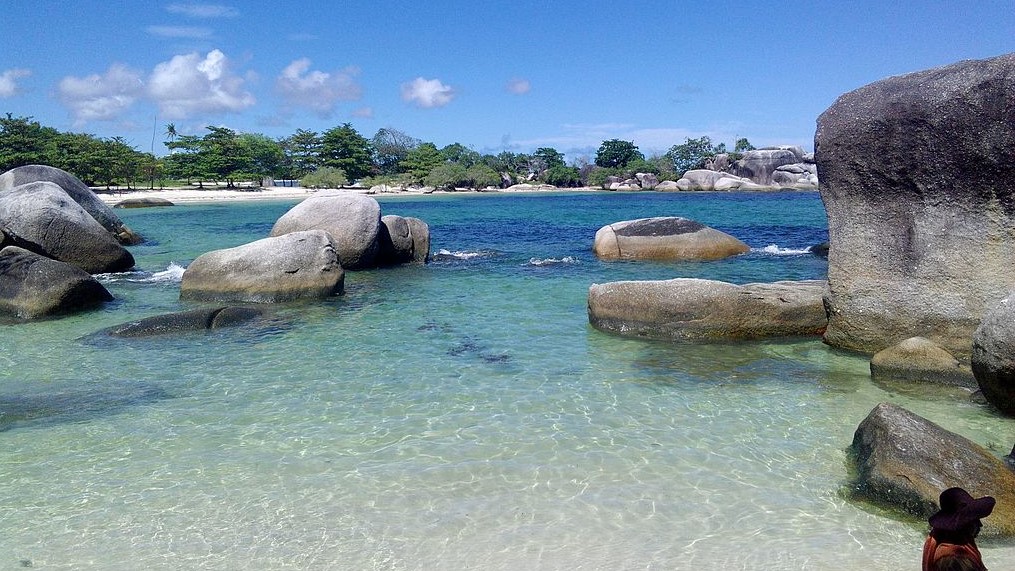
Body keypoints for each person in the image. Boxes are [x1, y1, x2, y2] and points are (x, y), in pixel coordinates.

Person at [922, 487, 996, 571]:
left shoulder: (942, 546)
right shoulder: (955, 557)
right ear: (964, 525)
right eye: (974, 519)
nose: (980, 524)